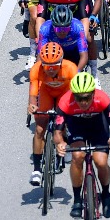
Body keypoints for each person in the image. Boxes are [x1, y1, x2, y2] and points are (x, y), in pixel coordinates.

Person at [53, 72, 110, 219]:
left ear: (93, 93)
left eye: (86, 98)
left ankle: (106, 195)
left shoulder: (102, 98)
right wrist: (60, 143)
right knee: (77, 156)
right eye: (78, 98)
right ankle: (77, 200)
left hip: (98, 128)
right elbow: (57, 132)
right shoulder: (65, 101)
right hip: (77, 127)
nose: (83, 102)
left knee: (101, 161)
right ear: (73, 95)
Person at [27, 42, 78, 187]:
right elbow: (33, 92)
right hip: (46, 93)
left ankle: (65, 140)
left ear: (61, 62)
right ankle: (37, 170)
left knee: (65, 121)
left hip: (65, 93)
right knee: (39, 129)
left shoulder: (70, 68)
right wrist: (32, 105)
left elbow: (76, 94)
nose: (49, 69)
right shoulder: (36, 69)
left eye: (54, 66)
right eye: (46, 65)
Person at [39, 4, 89, 72]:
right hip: (55, 53)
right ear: (53, 26)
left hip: (74, 52)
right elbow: (40, 55)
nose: (62, 32)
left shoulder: (77, 27)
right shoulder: (45, 29)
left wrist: (77, 72)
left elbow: (84, 56)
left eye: (66, 29)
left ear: (70, 25)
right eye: (58, 29)